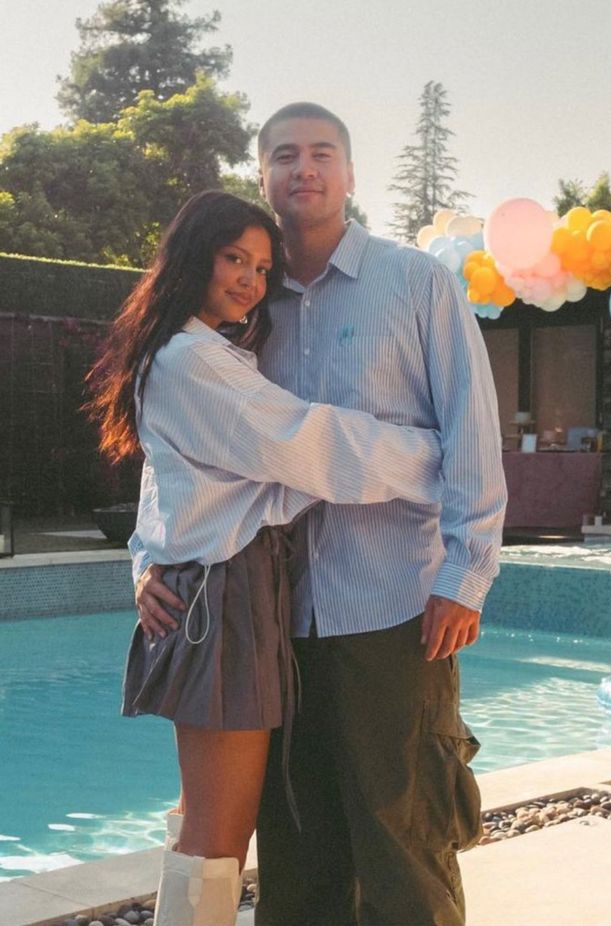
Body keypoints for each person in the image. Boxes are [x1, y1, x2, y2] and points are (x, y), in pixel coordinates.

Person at [136, 104, 507, 926]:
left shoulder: (416, 283)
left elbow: (472, 432)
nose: (303, 168)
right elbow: (183, 460)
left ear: (348, 172)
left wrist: (465, 573)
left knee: (403, 837)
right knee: (297, 851)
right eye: (284, 156)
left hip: (394, 610)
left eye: (322, 153)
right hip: (274, 620)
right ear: (262, 174)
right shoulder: (238, 313)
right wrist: (146, 560)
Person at [88, 189, 450, 926]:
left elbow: (173, 482)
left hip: (221, 592)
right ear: (193, 257)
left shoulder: (195, 351)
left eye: (260, 266)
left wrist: (145, 560)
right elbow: (304, 441)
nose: (250, 280)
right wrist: (432, 452)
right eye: (233, 259)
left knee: (204, 817)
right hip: (222, 599)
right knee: (217, 834)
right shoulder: (195, 361)